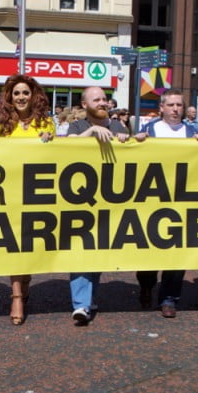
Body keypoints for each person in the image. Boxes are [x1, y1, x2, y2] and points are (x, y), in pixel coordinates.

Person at [0, 71, 54, 325]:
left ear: (33, 97)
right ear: (11, 97)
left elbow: (54, 151)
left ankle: (26, 279)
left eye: (25, 93)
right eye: (16, 93)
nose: (21, 97)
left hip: (37, 192)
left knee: (30, 242)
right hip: (9, 192)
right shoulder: (4, 122)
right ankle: (17, 295)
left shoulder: (45, 123)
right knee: (14, 243)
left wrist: (49, 141)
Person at [66, 86, 134, 325]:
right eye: (97, 99)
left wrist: (126, 139)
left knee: (99, 247)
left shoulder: (117, 126)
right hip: (81, 198)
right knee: (81, 247)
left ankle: (89, 298)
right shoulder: (77, 126)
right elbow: (68, 145)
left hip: (110, 199)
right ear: (84, 105)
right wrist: (93, 131)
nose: (103, 102)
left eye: (105, 99)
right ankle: (82, 304)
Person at [135, 90, 198, 316]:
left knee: (178, 251)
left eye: (179, 105)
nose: (175, 109)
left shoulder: (193, 132)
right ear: (161, 108)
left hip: (182, 199)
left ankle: (169, 298)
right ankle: (146, 285)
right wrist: (137, 143)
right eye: (171, 105)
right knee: (148, 249)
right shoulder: (149, 130)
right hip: (152, 197)